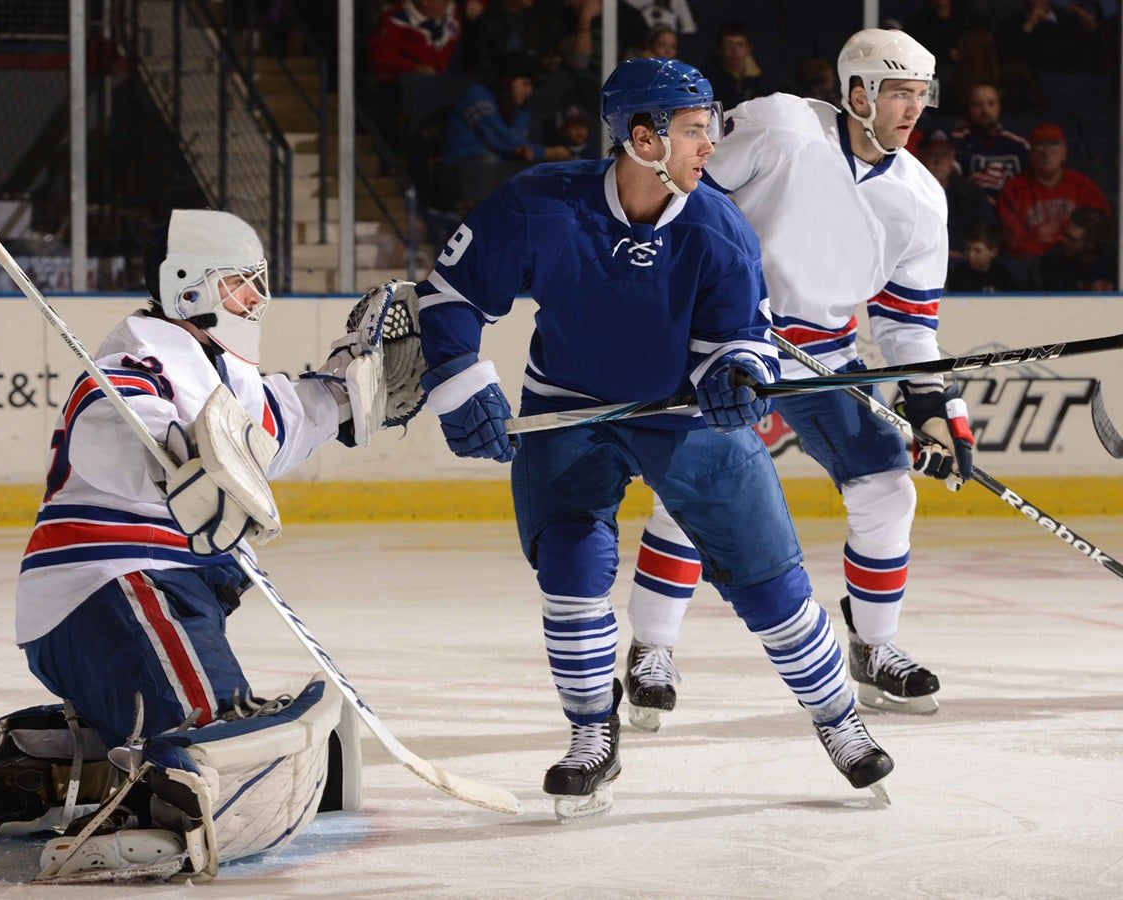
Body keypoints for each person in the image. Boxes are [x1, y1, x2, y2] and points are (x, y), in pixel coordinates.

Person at [416, 57, 893, 821]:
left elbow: (741, 333)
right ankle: (590, 735)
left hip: (682, 414)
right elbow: (449, 296)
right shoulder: (541, 203)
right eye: (696, 130)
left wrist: (735, 371)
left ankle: (840, 720)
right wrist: (460, 382)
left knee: (768, 580)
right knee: (570, 567)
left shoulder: (718, 226)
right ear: (643, 139)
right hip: (569, 408)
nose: (711, 146)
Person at [0, 211, 417, 882]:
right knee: (211, 737)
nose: (257, 297)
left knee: (196, 721)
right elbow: (107, 422)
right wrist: (176, 450)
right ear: (188, 286)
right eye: (241, 282)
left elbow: (273, 426)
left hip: (148, 590)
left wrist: (344, 390)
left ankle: (38, 765)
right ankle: (160, 808)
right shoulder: (140, 355)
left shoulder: (220, 369)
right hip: (113, 585)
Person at [623, 29, 975, 730]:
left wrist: (935, 408)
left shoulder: (921, 200)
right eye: (898, 92)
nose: (913, 109)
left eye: (920, 94)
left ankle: (873, 647)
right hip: (727, 349)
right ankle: (652, 647)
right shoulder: (782, 124)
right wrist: (707, 299)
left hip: (826, 360)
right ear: (857, 94)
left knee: (887, 488)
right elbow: (686, 197)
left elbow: (906, 326)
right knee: (697, 494)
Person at [998, 122, 1111, 259]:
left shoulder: (1082, 185)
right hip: (1033, 262)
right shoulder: (1014, 189)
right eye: (1040, 145)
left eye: (1054, 145)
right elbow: (1014, 240)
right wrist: (1050, 254)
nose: (1047, 153)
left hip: (1077, 259)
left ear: (1065, 152)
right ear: (1031, 153)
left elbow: (1100, 228)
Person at [916, 127, 995, 264]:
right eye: (932, 154)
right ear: (921, 157)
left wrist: (968, 253)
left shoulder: (969, 191)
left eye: (944, 155)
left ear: (953, 158)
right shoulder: (908, 191)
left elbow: (984, 227)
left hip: (964, 262)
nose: (939, 161)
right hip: (920, 262)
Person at [950, 82, 1030, 205]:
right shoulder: (955, 144)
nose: (985, 110)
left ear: (999, 106)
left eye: (991, 103)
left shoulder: (1019, 145)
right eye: (977, 104)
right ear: (968, 108)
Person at [700, 21, 777, 111]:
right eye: (728, 45)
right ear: (719, 49)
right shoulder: (706, 78)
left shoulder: (767, 73)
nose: (734, 50)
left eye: (740, 45)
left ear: (748, 48)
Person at [1039, 206, 1117, 291]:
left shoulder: (1116, 265)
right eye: (1065, 234)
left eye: (1073, 239)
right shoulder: (1054, 260)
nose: (1064, 241)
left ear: (1092, 245)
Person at [947, 221, 1021, 291]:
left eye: (977, 250)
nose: (970, 255)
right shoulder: (959, 275)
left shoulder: (1002, 275)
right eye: (968, 249)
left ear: (993, 252)